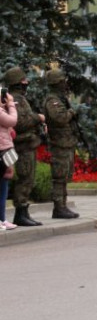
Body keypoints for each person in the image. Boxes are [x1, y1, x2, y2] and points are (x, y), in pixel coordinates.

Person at [5, 67, 45, 226]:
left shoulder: (19, 98)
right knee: (25, 178)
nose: (26, 83)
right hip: (22, 144)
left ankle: (23, 212)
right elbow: (20, 123)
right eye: (23, 81)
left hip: (27, 143)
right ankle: (20, 213)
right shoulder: (15, 99)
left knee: (28, 178)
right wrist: (38, 118)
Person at [42, 69, 80, 219]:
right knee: (59, 178)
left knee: (64, 177)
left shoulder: (61, 98)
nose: (65, 83)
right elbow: (60, 118)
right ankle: (59, 207)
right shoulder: (53, 100)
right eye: (62, 81)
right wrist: (71, 112)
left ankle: (63, 206)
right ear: (56, 83)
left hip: (66, 143)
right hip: (59, 143)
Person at [0, 86, 19, 230]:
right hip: (2, 151)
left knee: (4, 184)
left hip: (5, 149)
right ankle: (1, 219)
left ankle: (3, 219)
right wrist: (11, 104)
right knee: (2, 185)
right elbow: (12, 121)